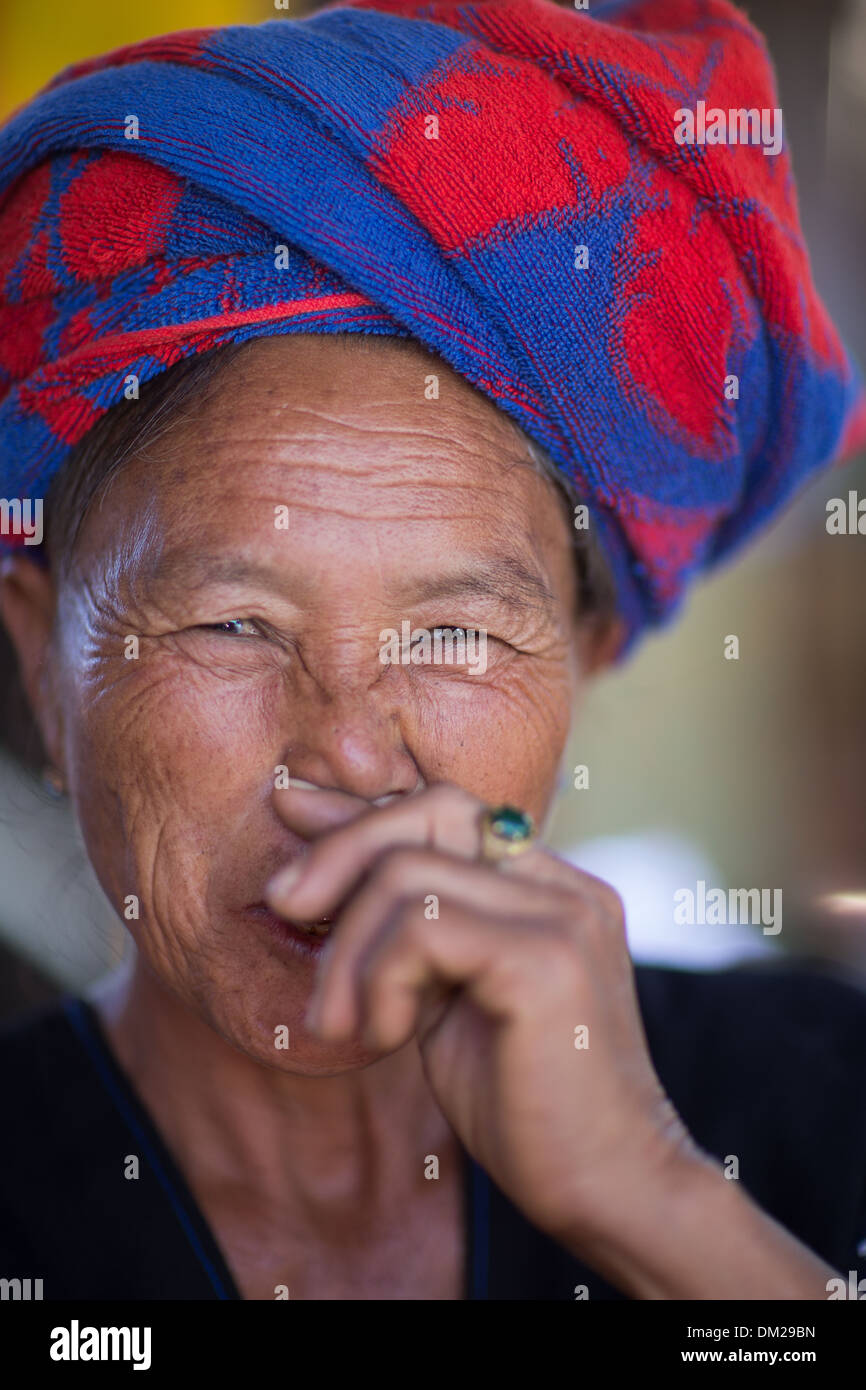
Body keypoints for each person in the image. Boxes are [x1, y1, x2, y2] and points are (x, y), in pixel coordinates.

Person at [0, 0, 864, 1301]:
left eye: (453, 632)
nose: (349, 747)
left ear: (584, 655)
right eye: (235, 623)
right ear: (44, 673)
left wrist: (652, 1201)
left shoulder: (825, 1094)